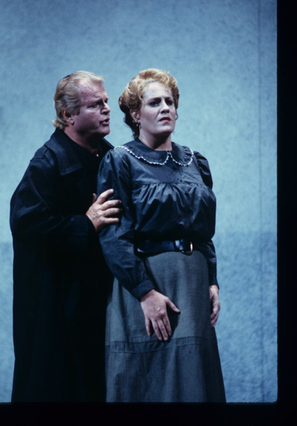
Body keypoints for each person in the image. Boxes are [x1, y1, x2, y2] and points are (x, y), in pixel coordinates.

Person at [97, 68, 226, 402]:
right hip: (145, 283)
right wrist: (145, 293)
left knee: (194, 382)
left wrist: (212, 281)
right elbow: (113, 235)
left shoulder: (196, 161)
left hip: (193, 283)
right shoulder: (120, 160)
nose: (166, 107)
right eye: (155, 102)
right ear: (136, 115)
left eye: (170, 101)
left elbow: (205, 233)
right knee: (147, 382)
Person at [10, 71, 122, 402]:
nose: (106, 109)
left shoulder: (109, 156)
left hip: (97, 299)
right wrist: (85, 223)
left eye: (106, 102)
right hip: (56, 305)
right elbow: (26, 224)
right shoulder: (47, 162)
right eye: (95, 104)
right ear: (68, 115)